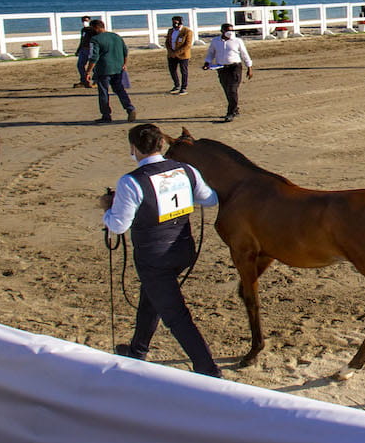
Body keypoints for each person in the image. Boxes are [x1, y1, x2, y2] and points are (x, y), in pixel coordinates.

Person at [99, 123, 222, 377]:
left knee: (175, 315)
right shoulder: (186, 170)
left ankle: (208, 369)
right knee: (151, 297)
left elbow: (119, 225)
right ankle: (137, 350)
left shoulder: (131, 182)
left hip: (154, 257)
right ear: (162, 145)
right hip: (183, 250)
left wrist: (107, 209)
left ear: (133, 148)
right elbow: (209, 199)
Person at [82, 19, 136, 124]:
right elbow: (125, 51)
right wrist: (124, 64)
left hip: (103, 69)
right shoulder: (116, 36)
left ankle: (106, 115)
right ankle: (130, 108)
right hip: (118, 68)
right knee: (120, 90)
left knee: (103, 92)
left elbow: (94, 57)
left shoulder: (95, 39)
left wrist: (88, 71)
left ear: (96, 28)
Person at [202, 21, 253, 121]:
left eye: (231, 30)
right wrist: (207, 63)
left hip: (235, 68)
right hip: (221, 68)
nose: (230, 32)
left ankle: (230, 113)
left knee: (232, 90)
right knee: (226, 90)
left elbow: (244, 54)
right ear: (222, 31)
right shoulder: (215, 41)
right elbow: (211, 53)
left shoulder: (237, 41)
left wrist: (249, 68)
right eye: (228, 31)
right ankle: (235, 109)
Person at [165, 16, 193, 95]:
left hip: (183, 55)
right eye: (173, 22)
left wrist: (177, 53)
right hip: (171, 55)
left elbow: (187, 45)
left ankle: (184, 87)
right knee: (172, 70)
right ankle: (176, 85)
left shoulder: (187, 31)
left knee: (183, 71)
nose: (175, 24)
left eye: (176, 22)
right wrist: (171, 52)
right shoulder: (170, 31)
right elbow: (167, 42)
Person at [73, 16, 95, 88]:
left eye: (86, 21)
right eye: (83, 21)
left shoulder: (93, 30)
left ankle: (96, 80)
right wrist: (78, 50)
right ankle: (84, 80)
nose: (85, 22)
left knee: (94, 65)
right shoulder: (83, 30)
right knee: (80, 65)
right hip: (83, 49)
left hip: (91, 49)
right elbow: (82, 40)